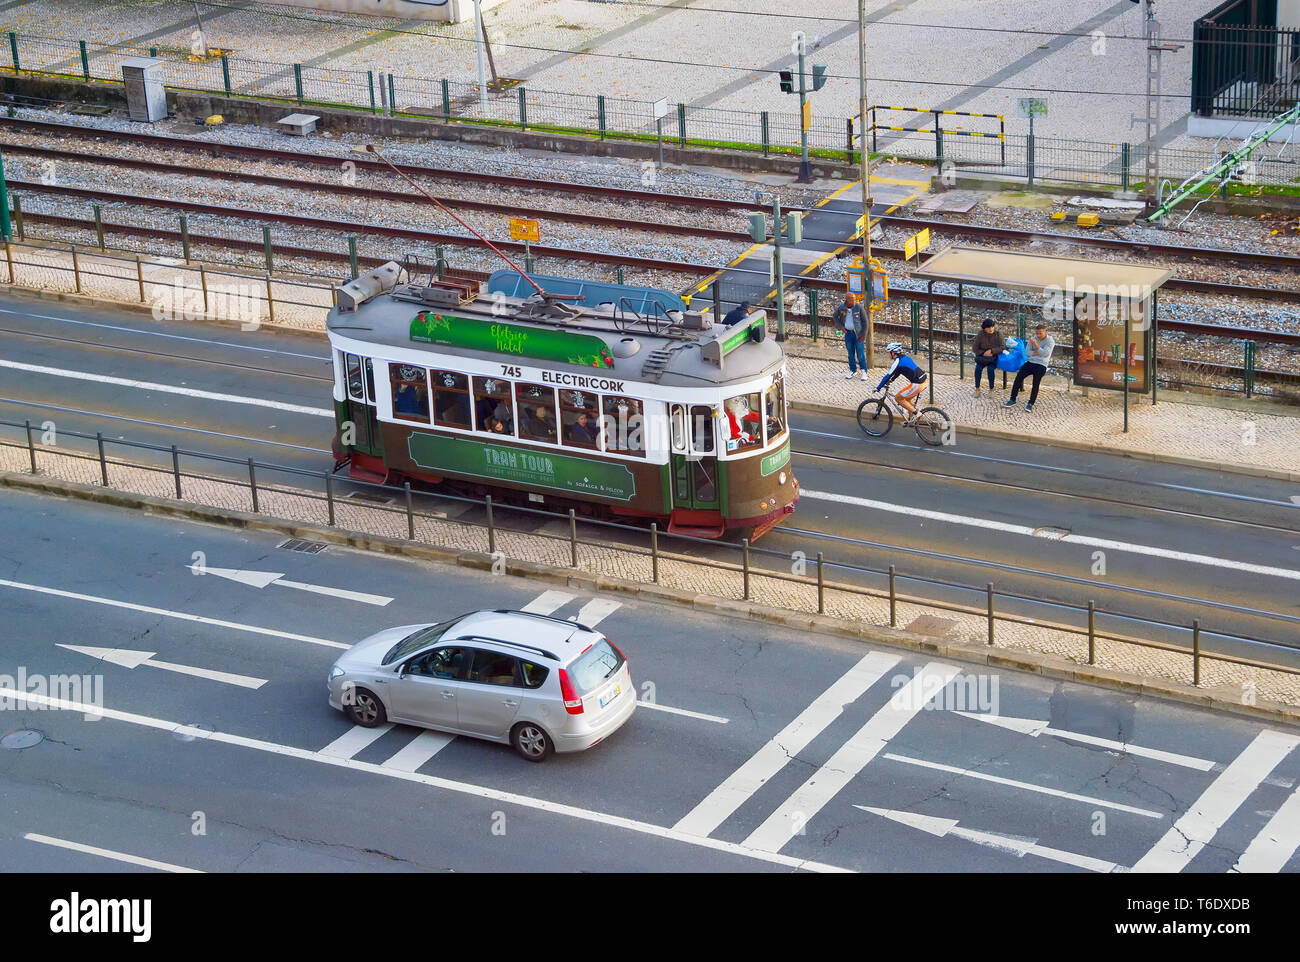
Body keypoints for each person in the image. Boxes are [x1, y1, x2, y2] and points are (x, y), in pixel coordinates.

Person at [1004, 323, 1055, 412]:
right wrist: (1039, 352)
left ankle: (1030, 403)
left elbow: (1045, 354)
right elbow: (1027, 353)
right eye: (1037, 333)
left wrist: (1035, 345)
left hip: (1042, 364)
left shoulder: (1050, 341)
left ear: (1045, 332)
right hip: (1031, 362)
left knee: (1036, 382)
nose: (1038, 335)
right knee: (1019, 377)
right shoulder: (1033, 338)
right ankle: (1012, 399)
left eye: (1040, 333)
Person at [874, 342, 927, 421]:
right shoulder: (905, 357)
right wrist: (892, 380)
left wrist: (878, 387)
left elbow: (887, 376)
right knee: (907, 400)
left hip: (917, 384)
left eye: (889, 353)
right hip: (924, 381)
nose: (888, 355)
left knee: (898, 398)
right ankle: (912, 419)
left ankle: (917, 413)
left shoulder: (897, 362)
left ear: (893, 353)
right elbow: (898, 371)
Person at [832, 291, 871, 380]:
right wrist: (840, 327)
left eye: (855, 300)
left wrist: (863, 335)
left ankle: (864, 371)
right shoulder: (841, 307)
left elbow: (865, 322)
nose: (854, 302)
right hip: (848, 334)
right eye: (852, 300)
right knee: (850, 353)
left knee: (860, 354)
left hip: (858, 334)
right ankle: (853, 370)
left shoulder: (859, 307)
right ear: (847, 300)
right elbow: (835, 316)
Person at [971, 319, 1004, 395]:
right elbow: (974, 348)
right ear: (984, 328)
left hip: (993, 358)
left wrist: (992, 351)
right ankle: (977, 389)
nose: (991, 329)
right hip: (982, 358)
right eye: (988, 327)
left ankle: (991, 389)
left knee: (990, 370)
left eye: (992, 327)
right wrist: (983, 353)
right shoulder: (981, 334)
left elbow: (1003, 348)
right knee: (978, 369)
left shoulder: (998, 334)